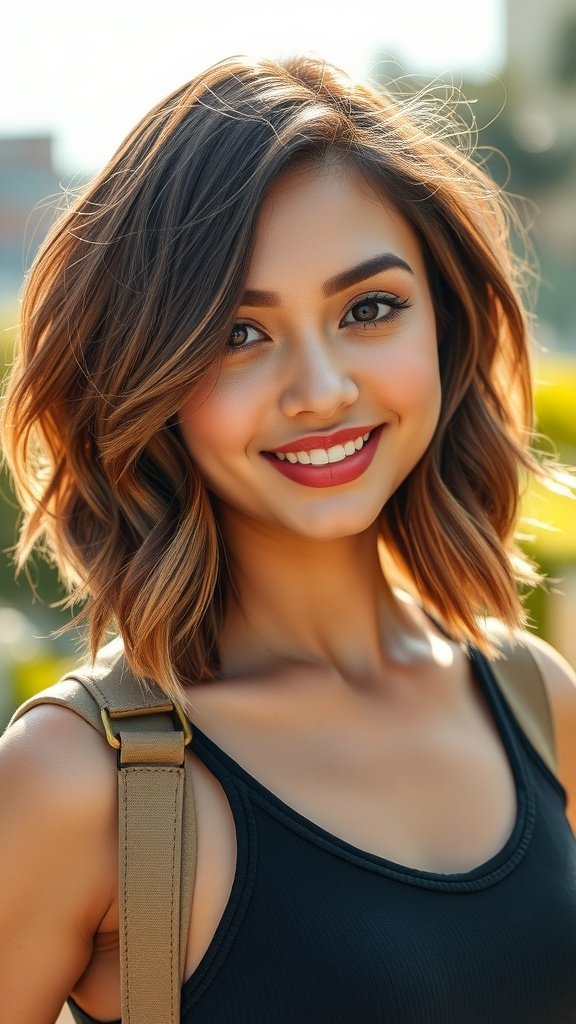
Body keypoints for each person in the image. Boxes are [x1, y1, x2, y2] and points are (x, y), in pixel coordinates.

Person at [1, 53, 576, 1024]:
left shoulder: (534, 701)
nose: (320, 389)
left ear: (442, 323)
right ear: (152, 372)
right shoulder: (78, 784)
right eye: (238, 333)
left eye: (369, 309)